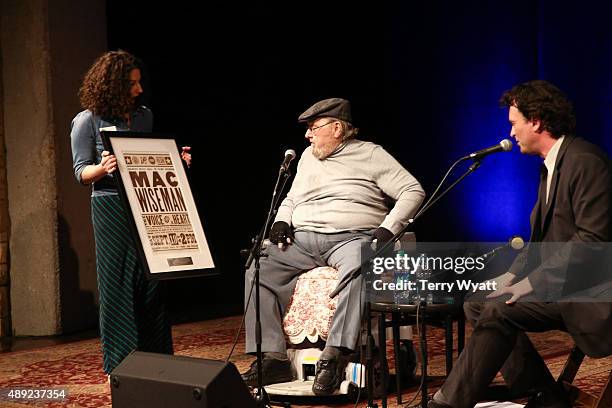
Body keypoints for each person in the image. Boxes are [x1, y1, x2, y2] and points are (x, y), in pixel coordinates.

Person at [429, 80, 612, 408]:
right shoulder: (552, 167)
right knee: (479, 301)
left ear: (537, 121)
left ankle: (449, 403)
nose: (511, 132)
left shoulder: (585, 161)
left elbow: (591, 242)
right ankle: (543, 393)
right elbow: (540, 242)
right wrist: (511, 278)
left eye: (515, 123)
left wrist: (530, 283)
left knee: (500, 310)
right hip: (566, 285)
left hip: (593, 290)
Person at [241, 97, 425, 395]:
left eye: (314, 128)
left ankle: (335, 355)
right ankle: (272, 358)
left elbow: (412, 190)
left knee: (359, 265)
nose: (307, 135)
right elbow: (292, 198)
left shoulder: (371, 154)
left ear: (337, 128)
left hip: (350, 238)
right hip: (302, 240)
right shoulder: (308, 156)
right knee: (258, 265)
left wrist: (387, 229)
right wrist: (282, 221)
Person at [70, 50, 176, 374]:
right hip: (110, 204)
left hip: (144, 202)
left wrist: (175, 164)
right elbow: (79, 171)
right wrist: (101, 168)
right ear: (114, 86)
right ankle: (122, 366)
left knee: (152, 280)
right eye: (132, 84)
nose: (139, 89)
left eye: (139, 82)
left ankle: (158, 358)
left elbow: (149, 157)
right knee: (118, 284)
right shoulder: (86, 120)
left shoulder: (144, 116)